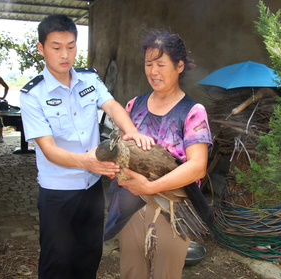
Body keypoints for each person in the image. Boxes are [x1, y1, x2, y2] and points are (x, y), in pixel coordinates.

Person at [19, 14, 154, 279]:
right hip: (57, 194)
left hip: (91, 189)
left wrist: (133, 132)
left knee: (89, 256)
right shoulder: (32, 95)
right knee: (56, 263)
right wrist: (87, 162)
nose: (65, 54)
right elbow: (48, 149)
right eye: (56, 47)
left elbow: (113, 106)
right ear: (41, 48)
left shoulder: (89, 79)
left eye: (71, 46)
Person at [104, 29, 213, 279]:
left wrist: (153, 187)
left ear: (179, 66)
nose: (153, 72)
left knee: (166, 274)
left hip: (174, 209)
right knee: (131, 271)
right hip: (130, 205)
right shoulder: (134, 106)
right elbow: (122, 150)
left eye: (161, 64)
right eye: (148, 64)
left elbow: (198, 167)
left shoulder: (193, 112)